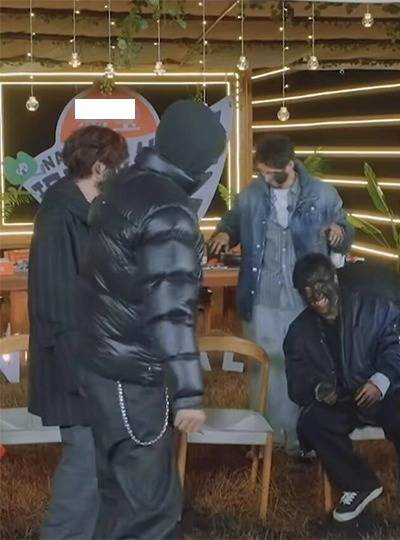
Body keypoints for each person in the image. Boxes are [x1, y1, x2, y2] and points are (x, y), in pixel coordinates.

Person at [77, 100, 226, 538]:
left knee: (118, 501)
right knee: (149, 514)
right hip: (134, 375)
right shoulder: (168, 211)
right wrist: (188, 393)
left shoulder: (123, 185)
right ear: (200, 160)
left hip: (101, 365)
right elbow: (170, 311)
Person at [284, 254, 400, 535]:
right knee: (311, 422)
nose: (315, 295)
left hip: (382, 391)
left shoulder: (375, 308)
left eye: (320, 283)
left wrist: (381, 379)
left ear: (335, 278)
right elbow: (296, 379)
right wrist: (317, 388)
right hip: (340, 400)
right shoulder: (299, 331)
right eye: (306, 288)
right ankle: (358, 484)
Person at [208, 135, 353, 455]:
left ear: (289, 165)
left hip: (307, 298)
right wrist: (224, 233)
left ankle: (305, 438)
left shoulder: (322, 195)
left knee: (307, 365)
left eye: (269, 172)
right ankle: (264, 437)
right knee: (263, 365)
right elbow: (232, 222)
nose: (264, 177)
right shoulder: (250, 195)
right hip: (262, 296)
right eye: (260, 172)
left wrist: (339, 234)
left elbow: (344, 230)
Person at [27, 125, 128, 539]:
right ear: (100, 166)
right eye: (119, 164)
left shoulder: (86, 209)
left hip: (91, 360)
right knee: (83, 471)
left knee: (99, 470)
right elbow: (58, 306)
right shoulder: (58, 215)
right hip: (73, 365)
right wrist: (82, 377)